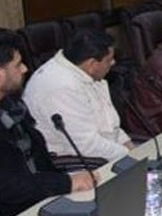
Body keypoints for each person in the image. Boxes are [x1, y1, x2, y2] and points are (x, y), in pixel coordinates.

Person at [0, 29, 94, 216]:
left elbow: (39, 162)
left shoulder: (12, 105)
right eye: (18, 65)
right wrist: (66, 183)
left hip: (41, 199)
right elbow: (3, 187)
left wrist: (68, 182)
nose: (25, 69)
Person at [23, 29, 133, 163]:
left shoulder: (87, 73)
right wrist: (129, 156)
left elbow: (109, 126)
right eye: (109, 60)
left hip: (107, 152)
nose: (113, 63)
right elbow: (85, 146)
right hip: (77, 164)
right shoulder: (61, 86)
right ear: (92, 64)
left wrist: (130, 146)